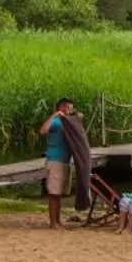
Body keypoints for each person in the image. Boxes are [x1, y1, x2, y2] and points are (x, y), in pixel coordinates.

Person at [40, 98, 77, 229]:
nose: (71, 111)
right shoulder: (56, 122)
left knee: (59, 193)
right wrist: (54, 115)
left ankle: (58, 220)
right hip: (55, 160)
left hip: (65, 161)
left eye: (72, 109)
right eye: (69, 108)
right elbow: (43, 130)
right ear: (62, 108)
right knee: (53, 194)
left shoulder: (68, 122)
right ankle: (53, 222)